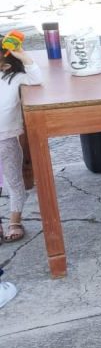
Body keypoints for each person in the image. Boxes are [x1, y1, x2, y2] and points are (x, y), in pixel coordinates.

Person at [0, 45, 41, 249]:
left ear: (5, 65)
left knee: (15, 182)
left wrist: (24, 57)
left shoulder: (13, 78)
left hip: (6, 140)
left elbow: (36, 79)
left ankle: (14, 221)